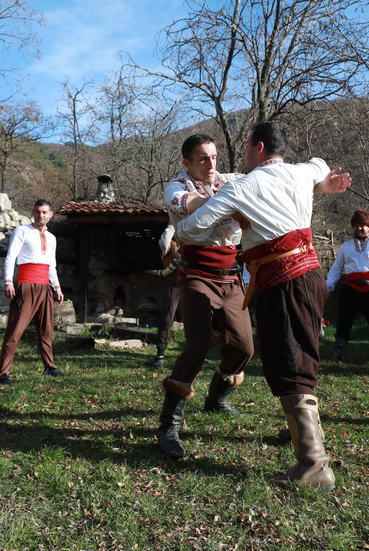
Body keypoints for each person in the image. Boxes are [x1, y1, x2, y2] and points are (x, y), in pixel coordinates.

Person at [177, 122, 351, 490]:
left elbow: (190, 230)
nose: (240, 158)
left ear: (258, 148)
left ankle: (314, 464)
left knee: (290, 361)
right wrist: (321, 186)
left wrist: (223, 209)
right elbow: (320, 164)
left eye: (244, 150)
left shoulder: (243, 186)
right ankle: (308, 446)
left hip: (282, 281)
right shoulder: (303, 171)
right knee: (302, 355)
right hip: (312, 276)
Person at [156, 134, 255, 460]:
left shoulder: (229, 180)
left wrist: (317, 183)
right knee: (198, 344)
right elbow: (193, 205)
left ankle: (217, 397)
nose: (211, 164)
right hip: (196, 275)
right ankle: (169, 424)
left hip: (231, 277)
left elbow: (271, 182)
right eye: (203, 159)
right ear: (187, 163)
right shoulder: (176, 187)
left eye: (214, 157)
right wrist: (230, 202)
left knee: (244, 347)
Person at [0, 199, 65, 384]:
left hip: (45, 287)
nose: (41, 215)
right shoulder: (22, 231)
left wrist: (57, 287)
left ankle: (50, 366)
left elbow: (51, 266)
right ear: (33, 212)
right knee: (15, 329)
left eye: (44, 212)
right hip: (26, 284)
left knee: (46, 329)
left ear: (50, 215)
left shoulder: (52, 238)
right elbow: (10, 257)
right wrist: (9, 281)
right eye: (38, 211)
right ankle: (4, 373)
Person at [326, 209, 369, 364]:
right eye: (357, 225)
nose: (360, 228)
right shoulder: (346, 246)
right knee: (344, 321)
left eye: (363, 225)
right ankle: (338, 352)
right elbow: (337, 268)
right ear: (353, 227)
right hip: (349, 289)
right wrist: (328, 286)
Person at [152, 225, 181, 368]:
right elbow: (163, 241)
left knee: (195, 321)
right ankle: (160, 354)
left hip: (191, 285)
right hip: (173, 285)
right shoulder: (169, 245)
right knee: (166, 319)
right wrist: (172, 224)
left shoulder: (192, 244)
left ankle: (196, 354)